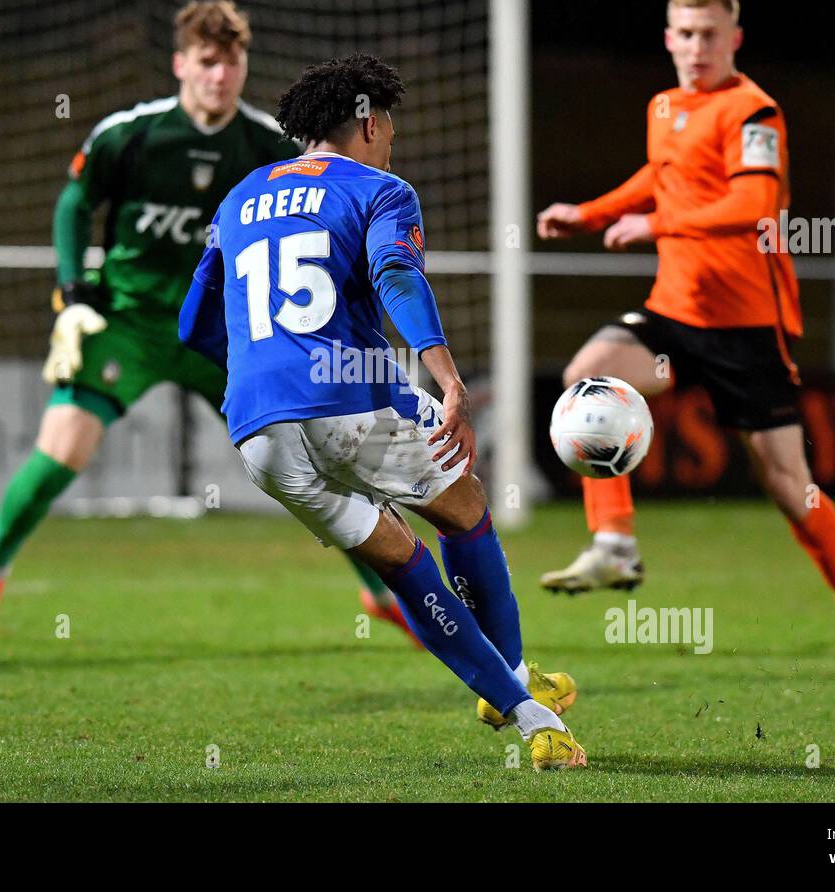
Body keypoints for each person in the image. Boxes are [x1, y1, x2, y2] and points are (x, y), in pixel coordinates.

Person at [0, 1, 416, 648]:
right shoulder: (131, 133)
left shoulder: (266, 146)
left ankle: (384, 591)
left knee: (316, 460)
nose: (221, 75)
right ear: (181, 64)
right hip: (130, 322)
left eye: (232, 61)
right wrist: (73, 293)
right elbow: (74, 203)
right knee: (62, 449)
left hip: (228, 333)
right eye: (208, 61)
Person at [180, 53, 586, 769]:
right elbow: (395, 274)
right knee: (464, 504)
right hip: (354, 397)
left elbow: (192, 326)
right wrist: (447, 374)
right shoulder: (381, 188)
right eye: (389, 119)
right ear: (368, 119)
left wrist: (260, 378)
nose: (392, 133)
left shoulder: (238, 197)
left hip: (257, 431)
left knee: (401, 563)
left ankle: (525, 712)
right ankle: (511, 681)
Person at [535, 0, 835, 676]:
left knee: (792, 487)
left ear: (734, 39)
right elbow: (662, 175)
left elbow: (755, 204)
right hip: (675, 313)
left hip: (746, 329)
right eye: (686, 33)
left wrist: (653, 224)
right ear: (669, 38)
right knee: (588, 376)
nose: (697, 47)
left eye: (710, 34)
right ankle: (614, 543)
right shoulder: (665, 104)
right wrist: (593, 212)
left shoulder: (753, 108)